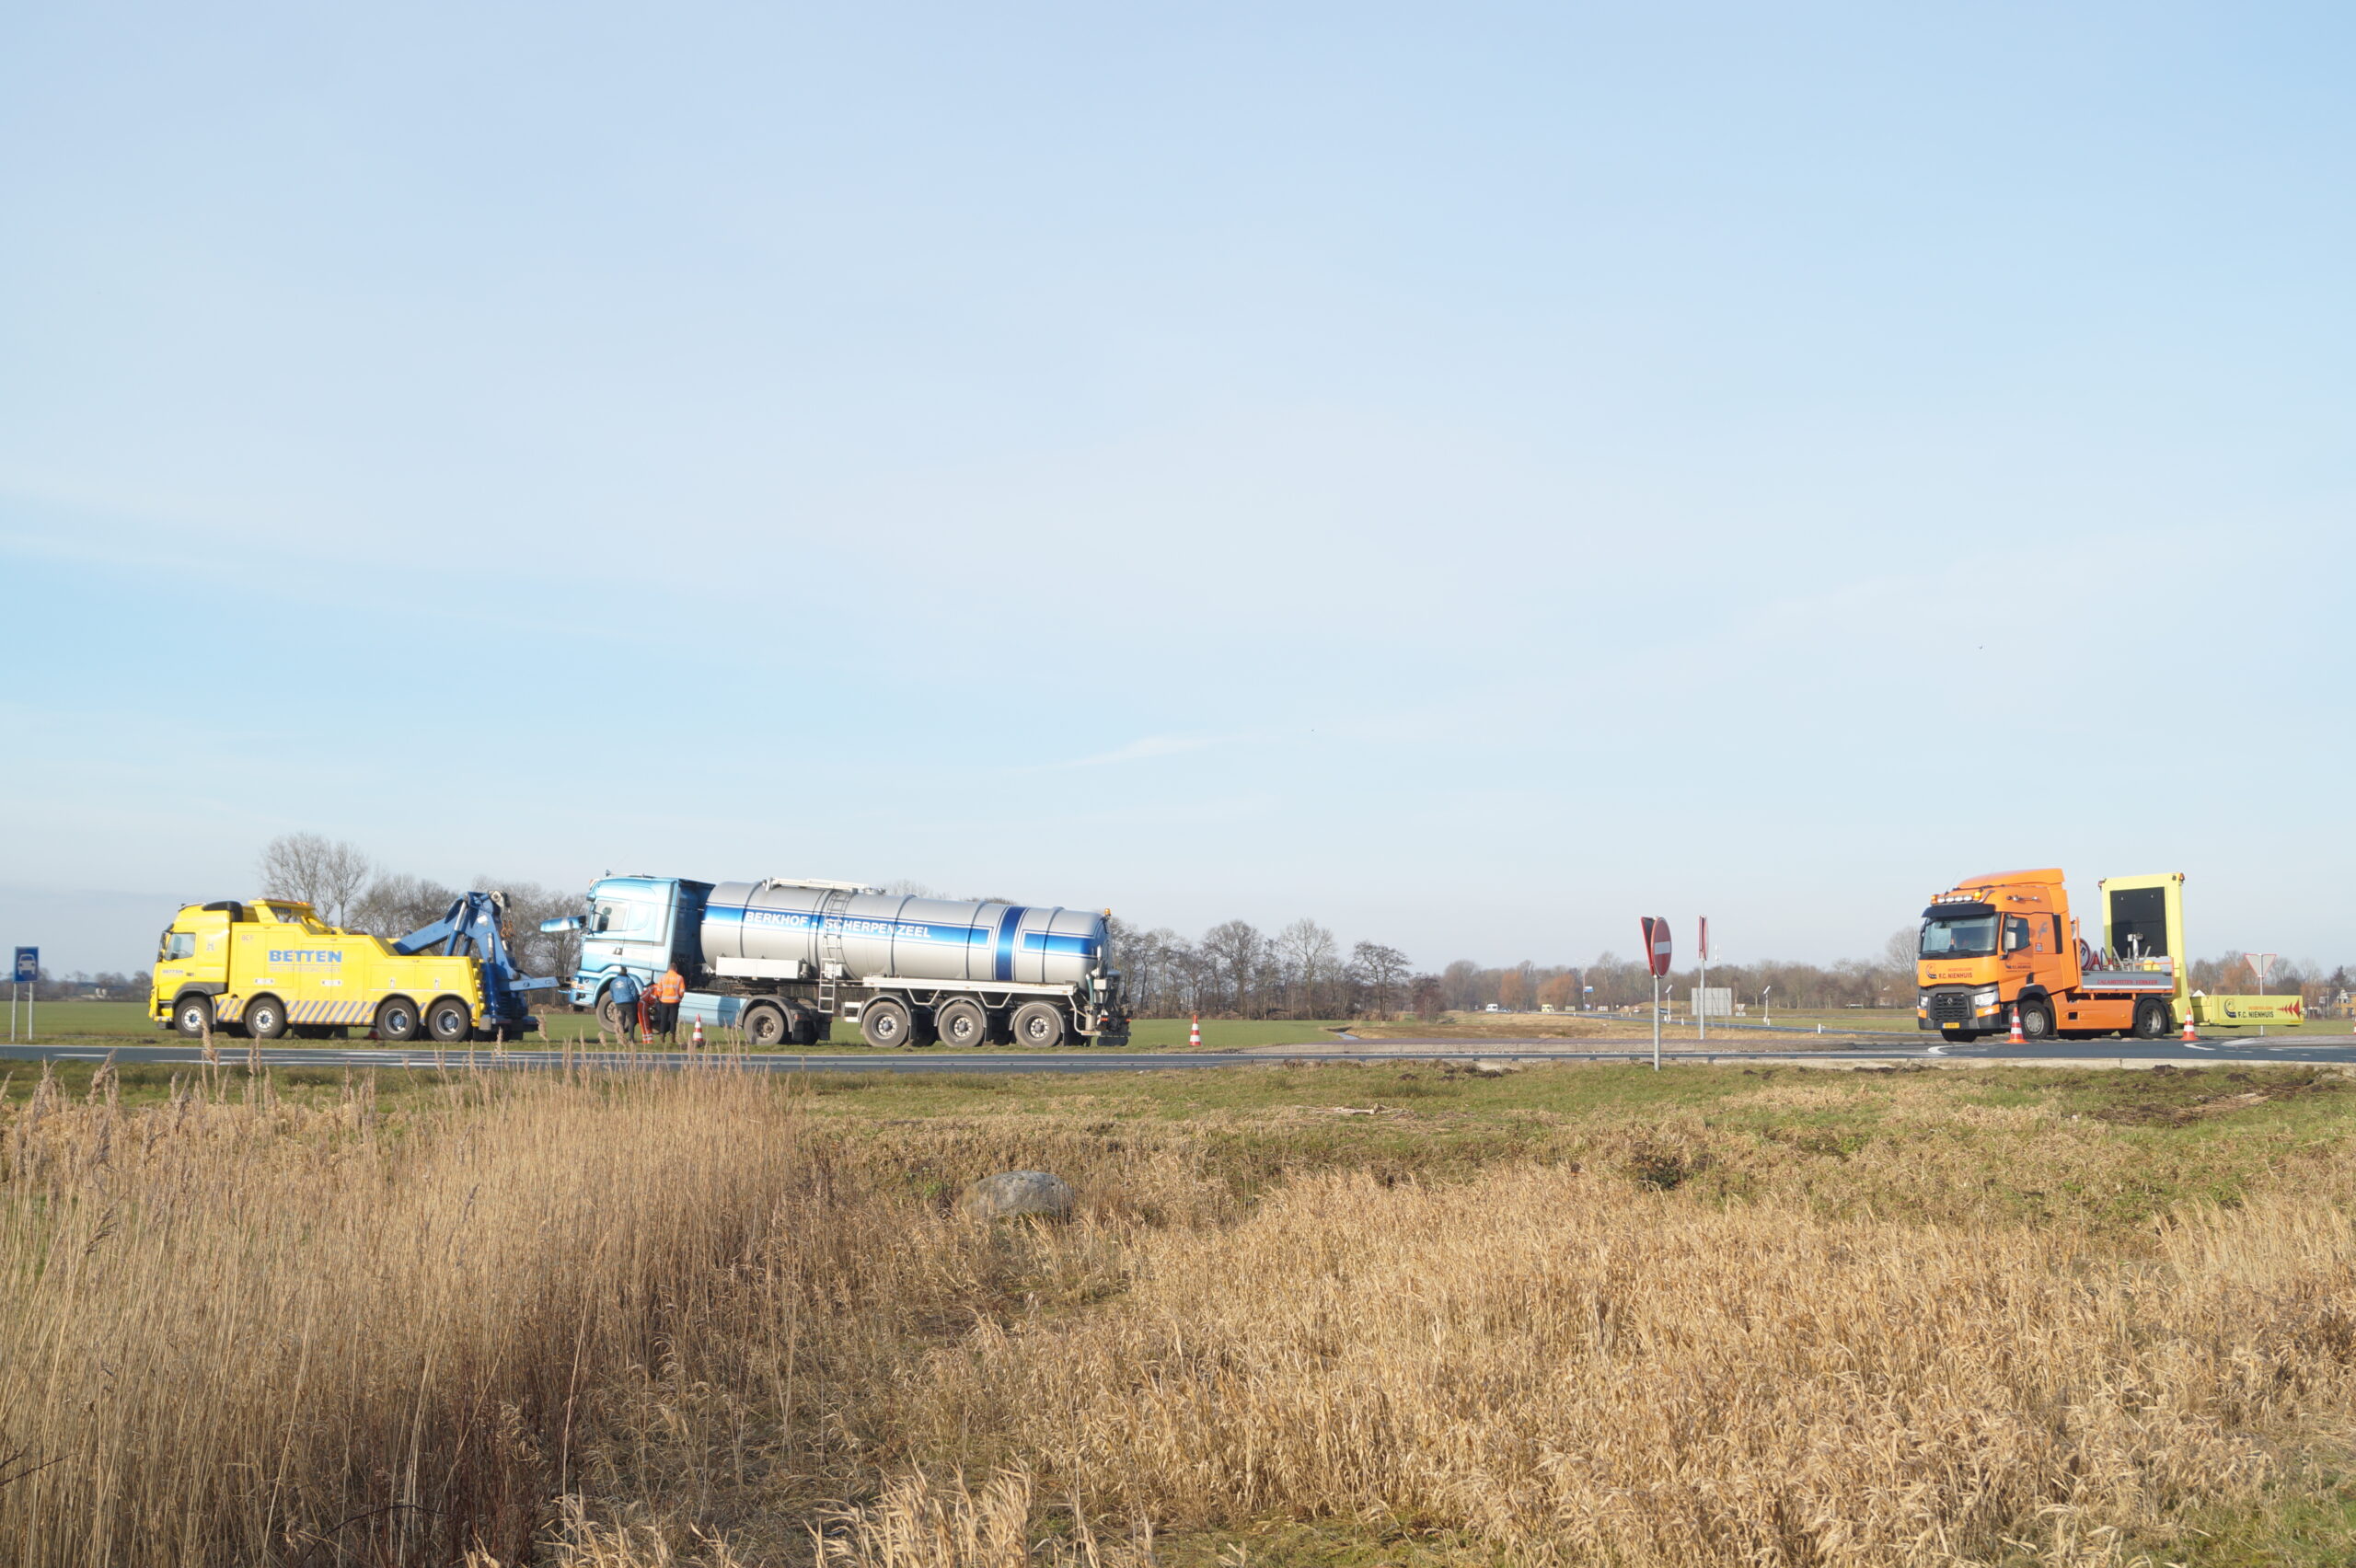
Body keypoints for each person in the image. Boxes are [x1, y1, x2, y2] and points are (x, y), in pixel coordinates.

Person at [651, 962, 687, 1044]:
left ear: (669, 969)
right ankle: (672, 1038)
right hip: (675, 1002)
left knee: (663, 1019)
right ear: (676, 969)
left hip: (664, 1002)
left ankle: (662, 1037)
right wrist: (680, 997)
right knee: (673, 1020)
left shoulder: (662, 977)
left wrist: (660, 997)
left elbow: (659, 990)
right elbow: (682, 991)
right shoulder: (679, 978)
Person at [606, 971, 642, 1043]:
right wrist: (635, 1001)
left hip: (619, 1004)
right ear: (626, 974)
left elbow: (612, 994)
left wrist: (616, 1000)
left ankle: (621, 1039)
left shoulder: (613, 982)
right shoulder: (629, 980)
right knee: (632, 1021)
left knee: (621, 1022)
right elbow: (634, 993)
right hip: (629, 1003)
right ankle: (631, 1039)